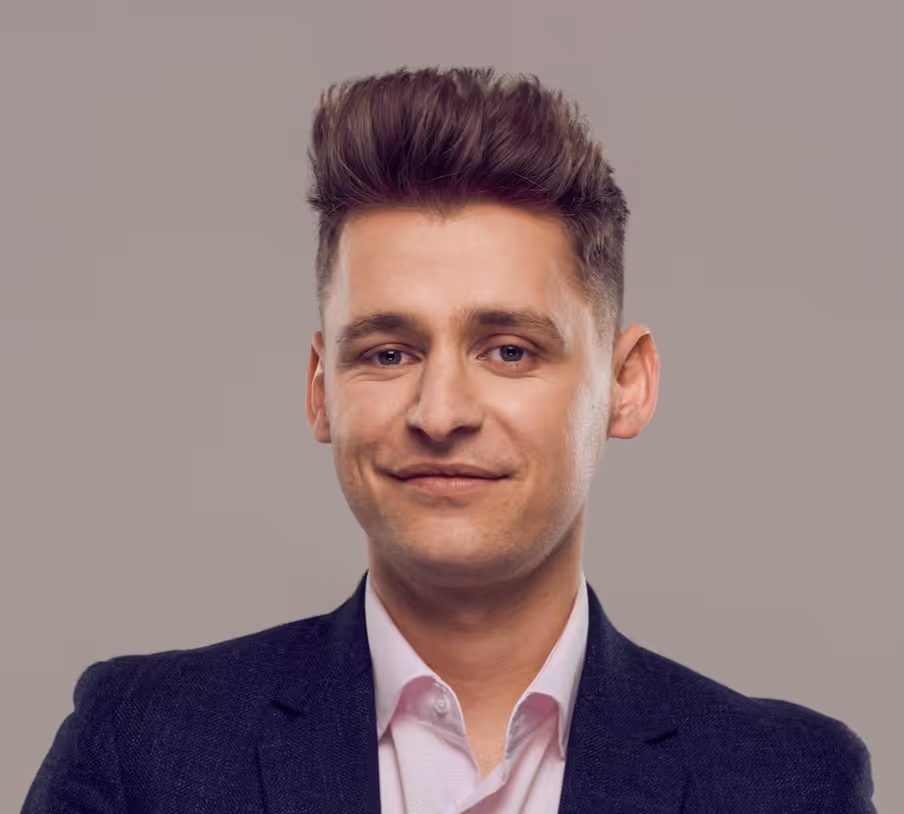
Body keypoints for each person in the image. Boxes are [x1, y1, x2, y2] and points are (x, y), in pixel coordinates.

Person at [22, 65, 876, 814]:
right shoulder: (142, 745)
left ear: (627, 384)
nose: (439, 413)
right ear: (321, 392)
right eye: (388, 353)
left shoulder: (790, 782)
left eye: (509, 351)